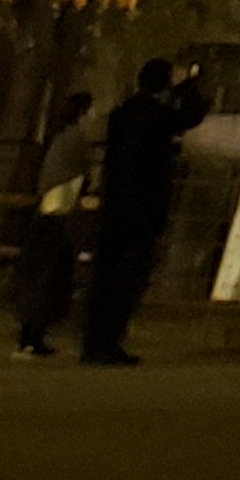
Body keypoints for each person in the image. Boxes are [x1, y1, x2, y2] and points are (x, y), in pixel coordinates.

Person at [74, 64, 201, 367]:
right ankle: (109, 341)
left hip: (115, 205)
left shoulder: (123, 114)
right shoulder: (155, 117)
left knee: (105, 275)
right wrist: (188, 86)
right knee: (128, 278)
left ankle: (92, 342)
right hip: (141, 209)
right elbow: (190, 116)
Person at [13, 93, 95, 358]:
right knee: (49, 278)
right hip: (60, 212)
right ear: (84, 111)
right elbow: (82, 178)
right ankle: (34, 336)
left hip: (48, 210)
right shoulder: (77, 140)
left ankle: (30, 335)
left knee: (38, 275)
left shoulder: (61, 138)